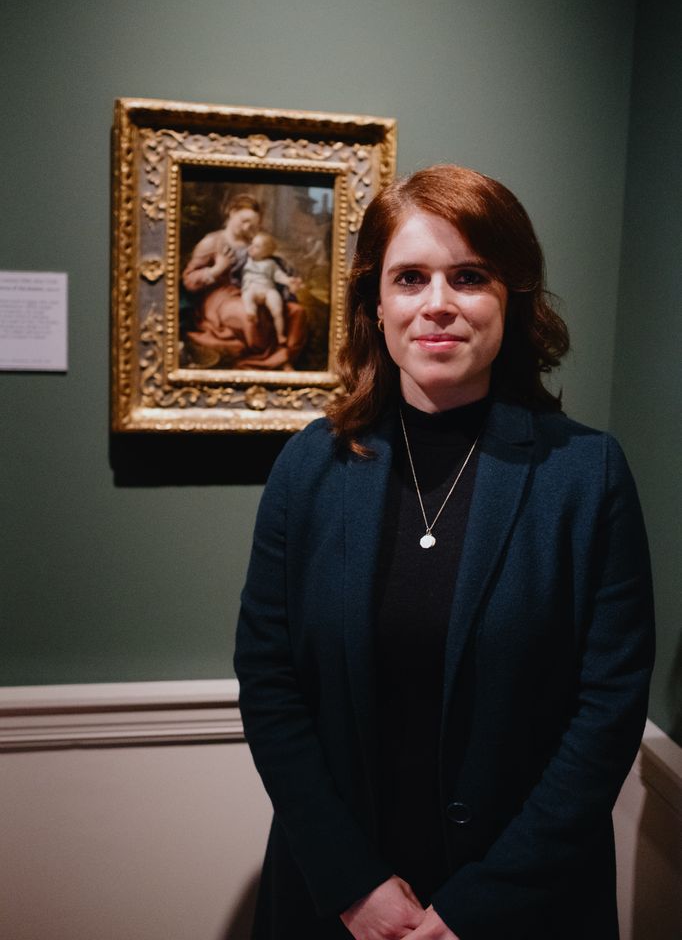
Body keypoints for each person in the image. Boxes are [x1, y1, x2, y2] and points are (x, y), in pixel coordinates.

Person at [234, 165, 655, 940]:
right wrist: (352, 883)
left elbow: (607, 712)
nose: (438, 304)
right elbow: (268, 684)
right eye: (410, 278)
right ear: (376, 301)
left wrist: (480, 907)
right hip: (337, 901)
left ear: (511, 299)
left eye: (469, 277)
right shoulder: (309, 469)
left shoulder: (586, 475)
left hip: (528, 904)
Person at [182, 194, 307, 369]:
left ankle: (284, 355)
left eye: (253, 224)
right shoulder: (213, 241)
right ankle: (272, 361)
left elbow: (270, 268)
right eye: (244, 220)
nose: (248, 227)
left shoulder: (254, 243)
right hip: (220, 297)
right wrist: (217, 269)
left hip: (254, 289)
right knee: (248, 317)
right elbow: (189, 280)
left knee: (295, 312)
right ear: (232, 213)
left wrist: (287, 281)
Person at [241, 231, 303, 348]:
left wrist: (289, 281)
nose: (252, 248)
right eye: (252, 244)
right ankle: (251, 312)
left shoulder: (271, 264)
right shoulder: (247, 260)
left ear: (266, 252)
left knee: (277, 310)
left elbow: (279, 276)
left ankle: (280, 335)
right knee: (247, 296)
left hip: (268, 289)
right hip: (252, 288)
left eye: (257, 246)